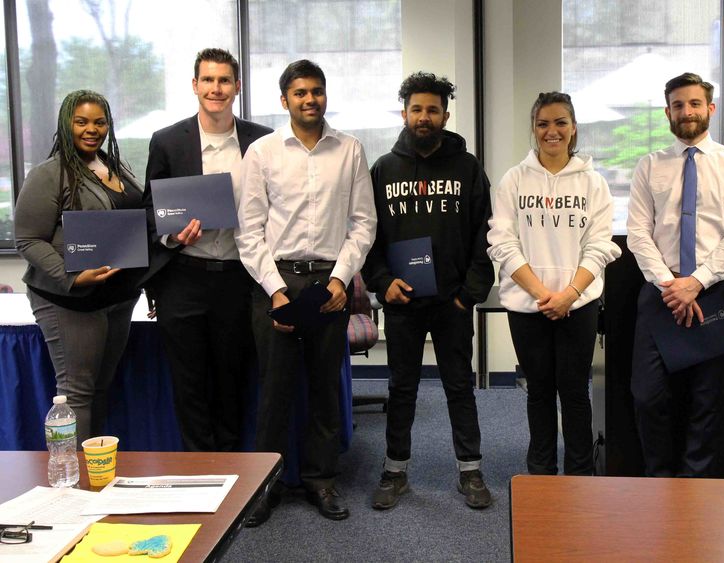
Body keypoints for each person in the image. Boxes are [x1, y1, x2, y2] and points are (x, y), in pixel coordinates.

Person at [236, 59, 376, 523]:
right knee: (274, 392)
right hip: (276, 283)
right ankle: (265, 487)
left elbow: (363, 223)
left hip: (328, 285)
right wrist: (275, 291)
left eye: (316, 91)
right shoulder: (262, 152)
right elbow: (248, 231)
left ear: (325, 96)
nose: (309, 99)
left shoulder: (350, 150)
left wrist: (341, 278)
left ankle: (321, 480)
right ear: (284, 100)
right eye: (299, 93)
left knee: (324, 389)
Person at [362, 72, 494, 510]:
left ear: (445, 115)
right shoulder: (383, 169)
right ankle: (394, 471)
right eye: (416, 109)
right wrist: (383, 284)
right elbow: (369, 237)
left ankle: (470, 471)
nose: (424, 117)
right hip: (403, 301)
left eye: (432, 110)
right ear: (404, 114)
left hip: (453, 301)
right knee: (402, 387)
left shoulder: (468, 168)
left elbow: (486, 234)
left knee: (459, 385)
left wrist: (468, 293)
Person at [626, 73, 724, 477]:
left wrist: (696, 282)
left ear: (710, 109)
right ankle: (659, 480)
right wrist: (672, 285)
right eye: (678, 105)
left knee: (708, 399)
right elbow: (637, 232)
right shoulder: (649, 166)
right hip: (660, 293)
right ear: (668, 112)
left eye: (695, 104)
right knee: (648, 397)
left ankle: (694, 484)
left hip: (714, 291)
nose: (687, 112)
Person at [142, 48, 272, 453]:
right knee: (189, 382)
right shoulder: (166, 141)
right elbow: (150, 207)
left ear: (237, 86)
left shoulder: (262, 141)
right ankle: (198, 470)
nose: (216, 88)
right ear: (195, 85)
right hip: (183, 278)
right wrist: (172, 235)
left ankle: (233, 473)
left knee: (232, 379)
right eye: (209, 80)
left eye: (225, 81)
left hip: (239, 277)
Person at [488, 92, 620, 476]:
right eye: (543, 123)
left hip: (577, 306)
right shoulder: (513, 180)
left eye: (560, 122)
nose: (552, 131)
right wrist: (543, 294)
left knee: (575, 392)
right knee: (540, 392)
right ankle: (541, 474)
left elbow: (599, 246)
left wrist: (569, 295)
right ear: (534, 129)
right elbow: (502, 242)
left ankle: (579, 475)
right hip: (528, 305)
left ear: (573, 128)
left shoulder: (594, 184)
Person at [14, 90, 145, 444]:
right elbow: (27, 239)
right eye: (82, 121)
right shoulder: (48, 173)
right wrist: (72, 277)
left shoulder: (116, 167)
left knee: (100, 389)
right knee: (76, 393)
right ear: (66, 124)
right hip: (71, 299)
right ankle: (71, 485)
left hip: (118, 298)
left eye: (100, 122)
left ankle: (94, 475)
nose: (92, 129)